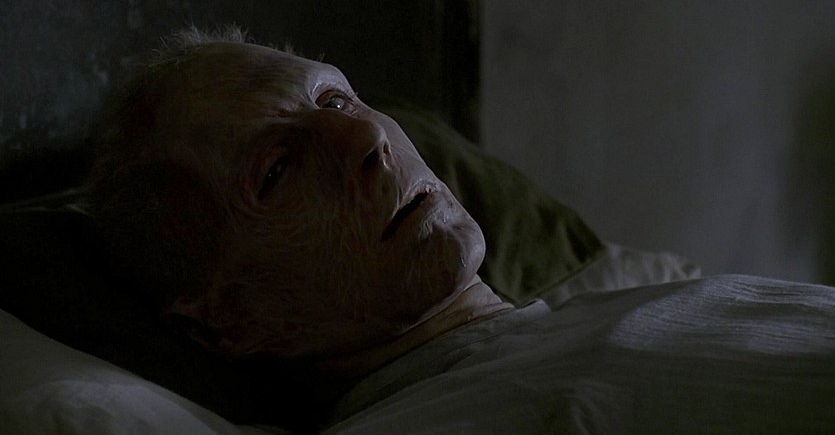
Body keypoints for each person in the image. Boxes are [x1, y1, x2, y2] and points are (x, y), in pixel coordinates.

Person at [90, 28, 835, 433]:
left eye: (337, 100)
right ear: (227, 318)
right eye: (277, 170)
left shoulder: (634, 306)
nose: (365, 139)